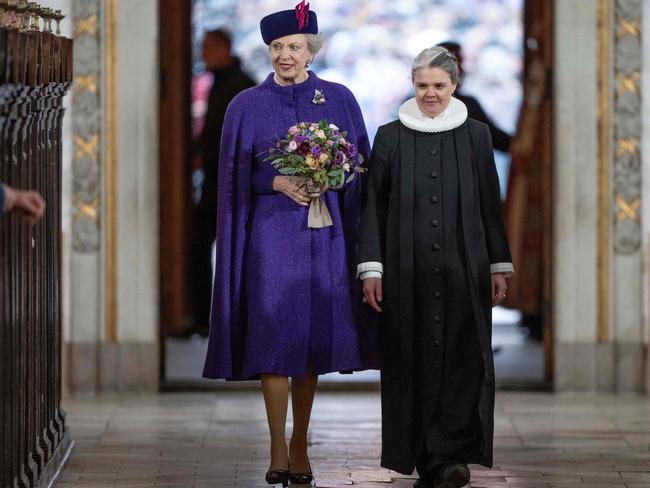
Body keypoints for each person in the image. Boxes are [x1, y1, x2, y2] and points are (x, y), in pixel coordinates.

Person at [202, 3, 377, 487]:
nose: (285, 55)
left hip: (324, 239)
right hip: (270, 239)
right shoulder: (245, 105)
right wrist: (276, 181)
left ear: (311, 50)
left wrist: (332, 176)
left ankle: (301, 442)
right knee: (274, 334)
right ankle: (277, 446)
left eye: (294, 47)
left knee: (310, 343)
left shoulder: (339, 98)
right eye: (278, 47)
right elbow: (232, 176)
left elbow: (361, 166)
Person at [358, 46, 513, 488]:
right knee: (414, 360)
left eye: (439, 86)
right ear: (413, 85)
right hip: (407, 272)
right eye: (422, 85)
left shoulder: (477, 135)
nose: (430, 94)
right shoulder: (389, 136)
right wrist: (372, 268)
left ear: (455, 86)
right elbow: (373, 207)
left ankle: (450, 456)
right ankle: (428, 456)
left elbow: (489, 204)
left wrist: (498, 264)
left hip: (465, 267)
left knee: (461, 361)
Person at [189, 29, 256, 336]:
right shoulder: (219, 82)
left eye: (207, 48)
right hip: (215, 181)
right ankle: (204, 318)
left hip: (235, 183)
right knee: (200, 245)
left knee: (240, 251)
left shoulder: (242, 87)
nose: (203, 55)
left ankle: (239, 320)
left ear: (222, 48)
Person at [437, 41, 511, 153]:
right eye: (457, 64)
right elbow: (499, 140)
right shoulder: (465, 106)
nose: (461, 70)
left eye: (460, 63)